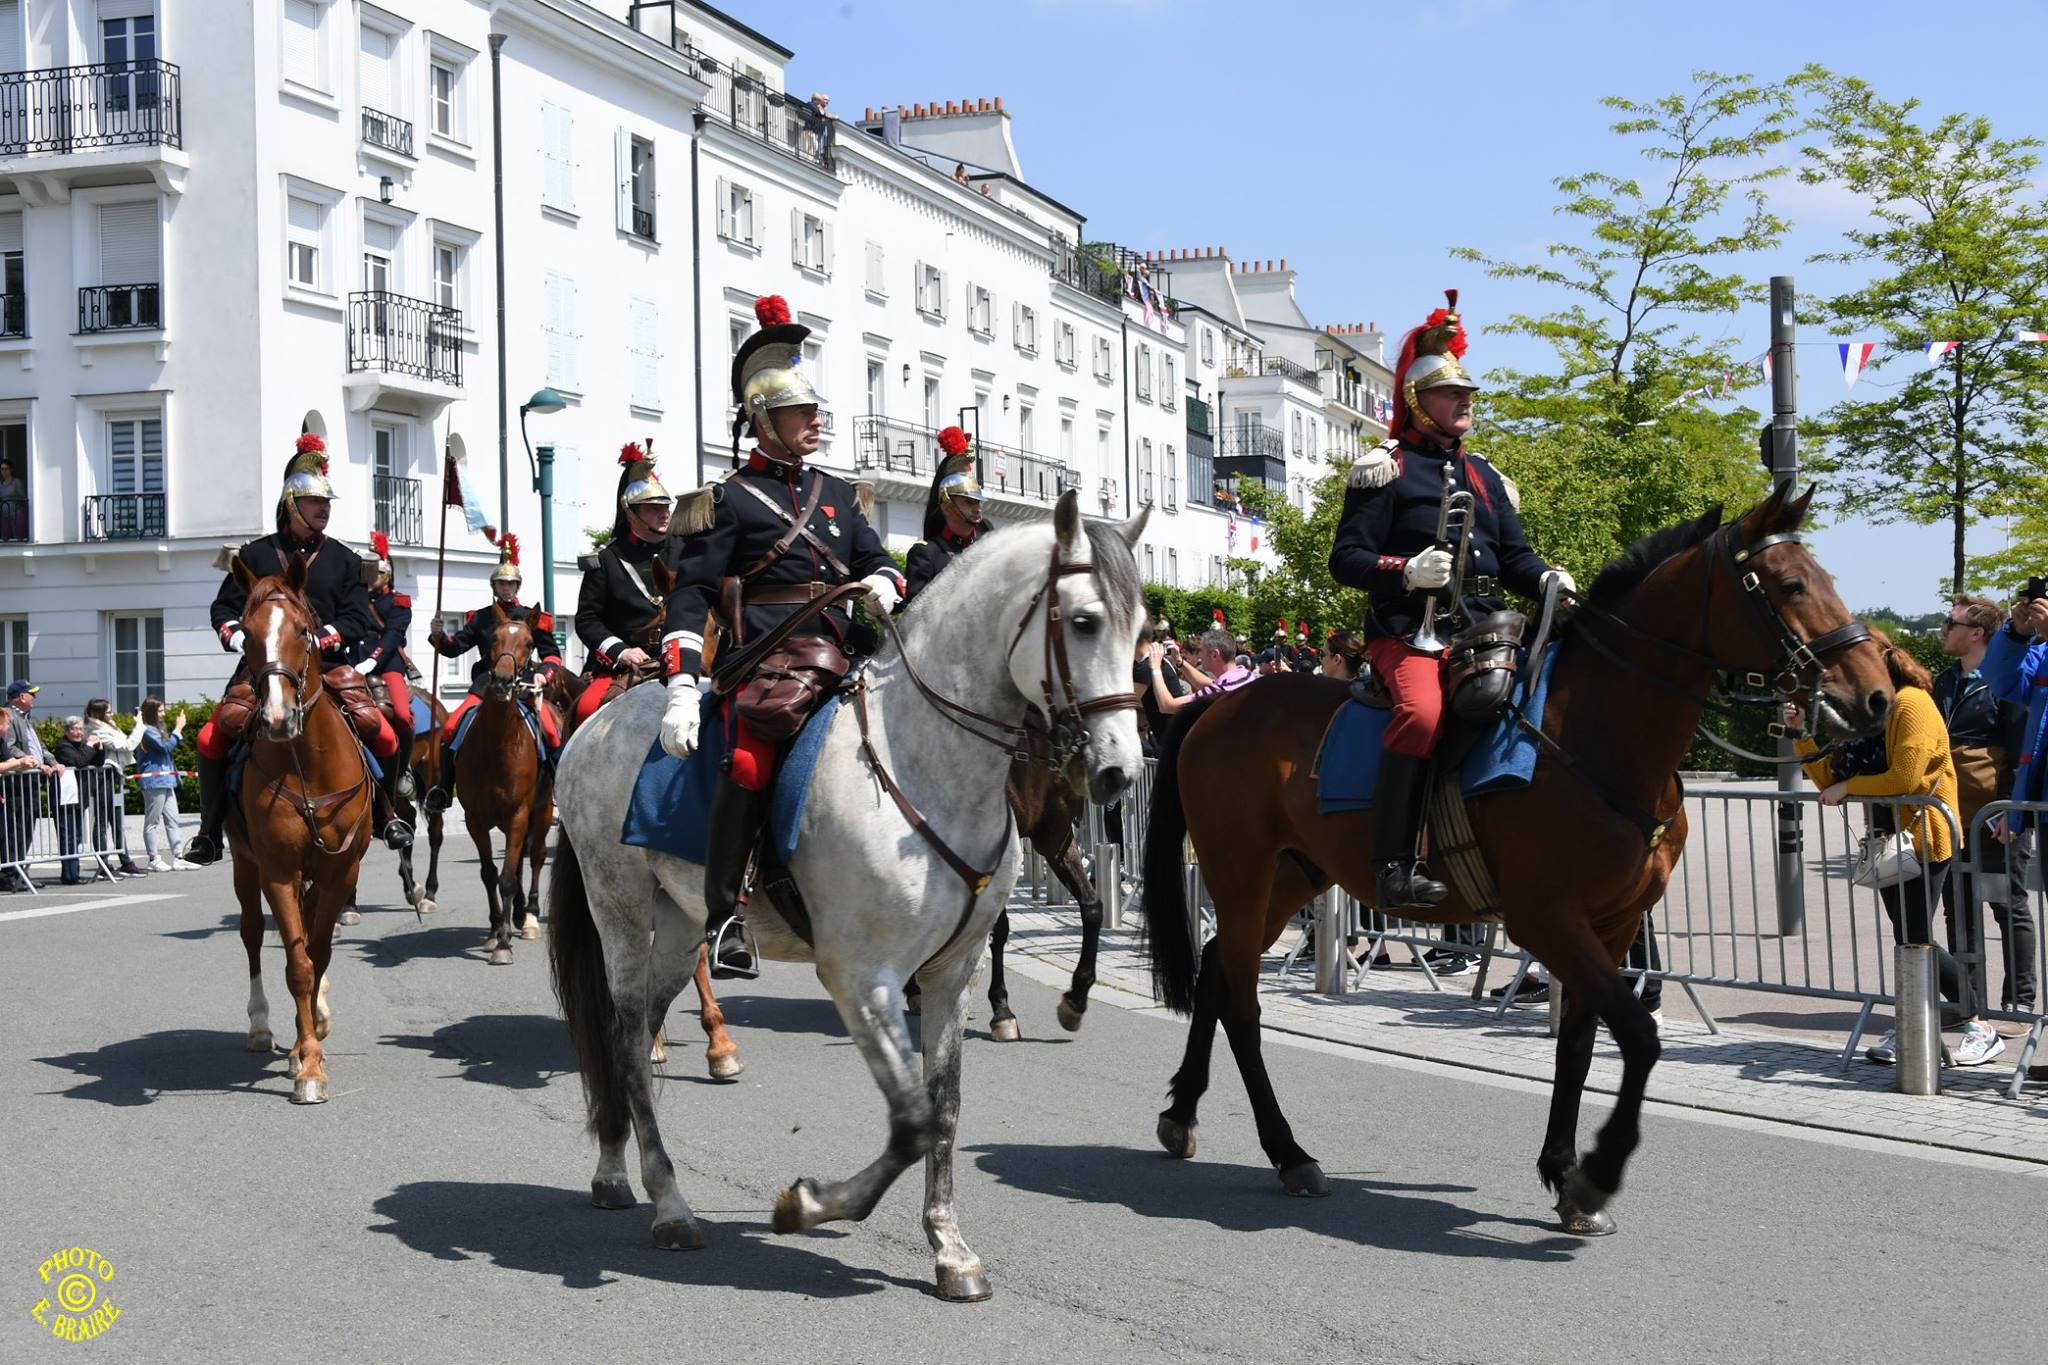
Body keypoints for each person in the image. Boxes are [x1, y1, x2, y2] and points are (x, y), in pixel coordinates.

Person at [658, 292, 905, 973]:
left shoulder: (838, 494)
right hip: (768, 663)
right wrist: (683, 684)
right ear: (764, 417)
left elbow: (875, 557)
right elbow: (693, 594)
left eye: (816, 408)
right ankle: (725, 914)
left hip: (844, 657)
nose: (816, 419)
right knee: (745, 763)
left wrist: (883, 579)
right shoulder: (729, 499)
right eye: (802, 410)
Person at [1327, 289, 1572, 912]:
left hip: (1486, 626)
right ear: (1417, 400)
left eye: (1468, 395)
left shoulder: (1485, 475)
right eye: (1451, 394)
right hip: (1408, 629)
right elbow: (1346, 559)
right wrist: (1405, 570)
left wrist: (1546, 578)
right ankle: (1393, 863)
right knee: (1424, 717)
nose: (1465, 403)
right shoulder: (1384, 468)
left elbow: (1514, 558)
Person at [1795, 629, 2003, 1067]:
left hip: (1925, 837)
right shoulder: (1870, 712)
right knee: (1909, 937)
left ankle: (1976, 1022)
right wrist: (1801, 734)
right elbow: (1828, 780)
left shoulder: (1912, 703)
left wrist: (1849, 786)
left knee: (1913, 937)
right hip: (1888, 840)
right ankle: (1919, 1022)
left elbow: (1906, 778)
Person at [190, 433, 380, 864]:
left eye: (328, 503)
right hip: (263, 667)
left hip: (327, 666)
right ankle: (209, 831)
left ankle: (389, 813)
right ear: (292, 504)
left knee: (383, 728)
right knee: (211, 736)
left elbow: (357, 618)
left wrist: (319, 638)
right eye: (316, 502)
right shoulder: (255, 555)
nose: (324, 509)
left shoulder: (345, 560)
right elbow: (223, 607)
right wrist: (238, 636)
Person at [1934, 593, 2035, 1012]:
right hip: (1952, 815)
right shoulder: (1942, 681)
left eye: (1949, 623)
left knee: (2006, 903)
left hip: (1995, 817)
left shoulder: (2006, 682)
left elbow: (2022, 748)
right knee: (1958, 910)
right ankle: (1968, 1002)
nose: (1942, 630)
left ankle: (2019, 1000)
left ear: (1977, 633)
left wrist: (2013, 809)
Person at [422, 535, 566, 814]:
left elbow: (552, 655)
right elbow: (454, 649)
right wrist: (438, 635)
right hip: (486, 686)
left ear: (518, 586)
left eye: (512, 583)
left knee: (551, 730)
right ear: (494, 586)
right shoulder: (481, 618)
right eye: (502, 583)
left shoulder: (534, 617)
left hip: (525, 686)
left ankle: (559, 783)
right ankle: (444, 788)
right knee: (451, 729)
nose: (507, 588)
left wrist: (544, 675)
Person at [571, 444, 678, 733]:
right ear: (632, 513)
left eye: (666, 506)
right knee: (585, 709)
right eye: (654, 508)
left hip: (682, 656)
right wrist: (621, 651)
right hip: (627, 664)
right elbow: (587, 620)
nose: (664, 514)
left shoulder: (685, 551)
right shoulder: (606, 560)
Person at [357, 530, 418, 850]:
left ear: (388, 573)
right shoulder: (355, 598)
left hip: (387, 663)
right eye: (368, 572)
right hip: (355, 663)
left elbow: (393, 635)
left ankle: (403, 770)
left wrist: (373, 660)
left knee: (404, 717)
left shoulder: (398, 601)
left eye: (377, 572)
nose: (371, 578)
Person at [901, 429, 991, 602]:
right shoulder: (926, 554)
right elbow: (915, 618)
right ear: (947, 508)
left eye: (978, 502)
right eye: (968, 502)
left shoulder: (987, 545)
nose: (977, 508)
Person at [83, 698, 146, 876]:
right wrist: (139, 725)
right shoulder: (95, 729)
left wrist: (115, 724)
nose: (112, 714)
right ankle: (104, 863)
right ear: (99, 713)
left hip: (115, 775)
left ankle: (125, 860)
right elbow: (126, 745)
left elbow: (125, 744)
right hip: (103, 776)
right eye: (108, 712)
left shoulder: (108, 726)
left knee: (117, 821)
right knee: (102, 821)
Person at [134, 698, 194, 871]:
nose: (163, 714)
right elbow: (165, 747)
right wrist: (178, 729)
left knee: (173, 820)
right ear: (151, 712)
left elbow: (167, 747)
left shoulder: (158, 729)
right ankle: (153, 858)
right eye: (160, 711)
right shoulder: (146, 730)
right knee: (152, 821)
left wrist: (175, 731)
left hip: (167, 779)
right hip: (154, 781)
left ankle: (178, 856)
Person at [1146, 628, 1250, 719]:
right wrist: (1179, 660)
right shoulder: (1244, 674)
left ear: (1214, 655)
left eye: (1200, 650)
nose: (1199, 654)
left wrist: (1155, 666)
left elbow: (1167, 706)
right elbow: (1212, 685)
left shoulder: (1221, 691)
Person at [53, 716, 97, 884]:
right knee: (68, 837)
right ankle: (69, 875)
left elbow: (96, 761)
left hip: (79, 799)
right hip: (65, 800)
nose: (78, 732)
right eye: (74, 729)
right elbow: (80, 761)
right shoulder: (63, 746)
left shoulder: (83, 745)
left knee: (77, 836)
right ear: (66, 731)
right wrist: (90, 746)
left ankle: (74, 873)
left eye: (80, 729)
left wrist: (98, 748)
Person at [0, 455, 25, 541]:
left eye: (6, 469)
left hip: (16, 515)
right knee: (6, 539)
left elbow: (23, 497)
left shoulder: (16, 482)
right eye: (2, 469)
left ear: (11, 470)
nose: (4, 471)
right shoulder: (0, 484)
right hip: (4, 515)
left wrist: (15, 494)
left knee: (18, 539)